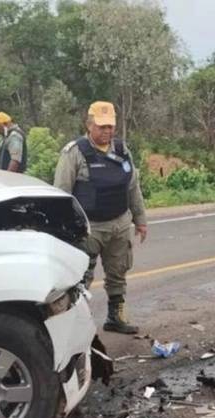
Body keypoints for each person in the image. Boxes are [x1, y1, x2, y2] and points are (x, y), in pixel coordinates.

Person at [54, 101, 147, 335]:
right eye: (101, 126)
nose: (107, 131)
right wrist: (62, 230)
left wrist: (140, 219)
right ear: (89, 125)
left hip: (120, 223)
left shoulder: (122, 150)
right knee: (80, 278)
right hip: (88, 228)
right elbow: (62, 194)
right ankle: (76, 324)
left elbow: (133, 188)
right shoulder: (74, 152)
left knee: (118, 272)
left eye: (110, 127)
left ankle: (116, 318)